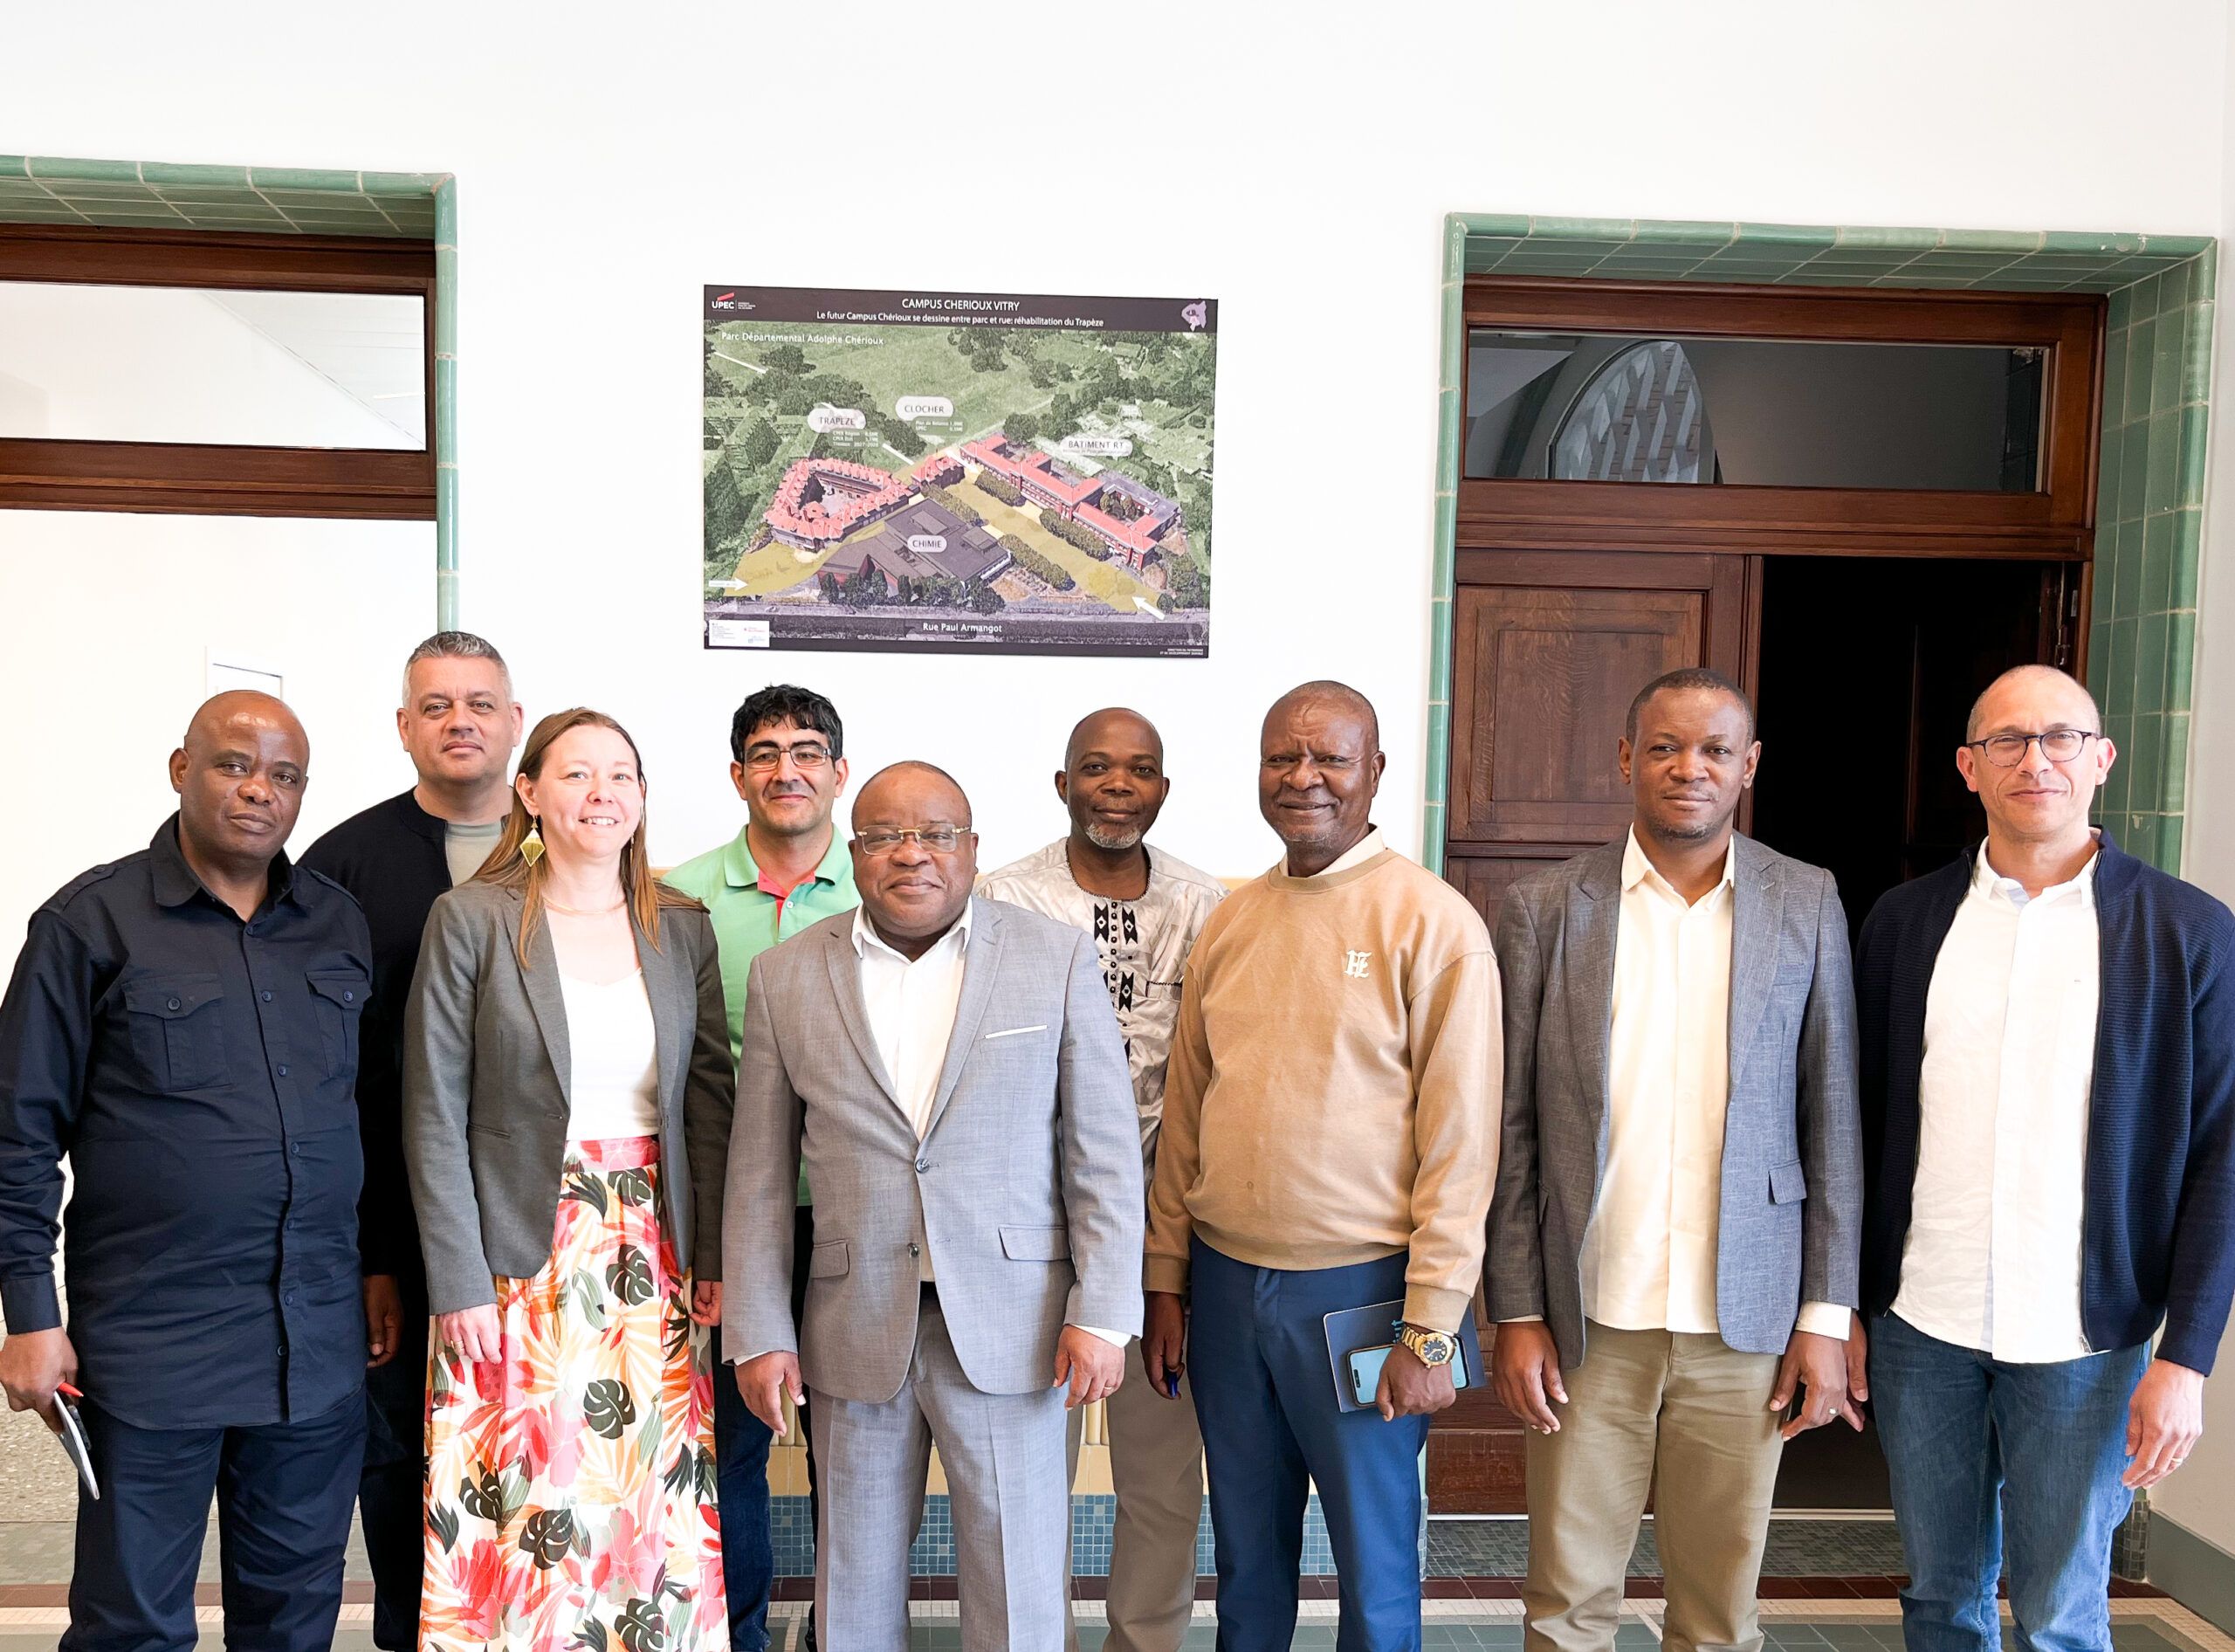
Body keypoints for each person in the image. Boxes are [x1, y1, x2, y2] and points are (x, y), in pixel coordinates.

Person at [1851, 664, 2235, 1652]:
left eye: (2060, 737)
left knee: (2061, 1612)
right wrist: (1845, 1305)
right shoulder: (1903, 924)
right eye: (2007, 741)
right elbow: (1859, 1128)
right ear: (1967, 767)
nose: (2036, 760)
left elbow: (2221, 1157)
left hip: (2085, 1337)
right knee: (1940, 1598)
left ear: (2101, 758)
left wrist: (2186, 1357)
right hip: (1921, 1323)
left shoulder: (2187, 931)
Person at [726, 761, 1144, 1651]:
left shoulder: (1054, 957)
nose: (911, 853)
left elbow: (1103, 1153)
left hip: (1018, 1324)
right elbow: (758, 1173)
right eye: (884, 836)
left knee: (1019, 1586)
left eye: (936, 834)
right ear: (854, 852)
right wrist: (759, 1329)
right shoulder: (785, 975)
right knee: (852, 1588)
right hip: (852, 1323)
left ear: (972, 848)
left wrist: (1103, 1312)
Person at [1488, 666, 1863, 1652]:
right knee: (1566, 1604)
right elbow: (1511, 1127)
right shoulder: (1543, 906)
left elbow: (1831, 1115)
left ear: (1749, 765)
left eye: (1713, 750)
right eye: (1664, 746)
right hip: (1588, 1317)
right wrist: (1516, 1310)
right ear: (1626, 758)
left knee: (1719, 1613)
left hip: (1746, 1323)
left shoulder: (1805, 900)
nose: (1688, 767)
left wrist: (1825, 1315)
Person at [0, 692, 377, 1652]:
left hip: (315, 1345)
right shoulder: (88, 923)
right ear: (181, 769)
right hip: (153, 1348)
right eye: (233, 765)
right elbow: (19, 1132)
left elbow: (368, 1117)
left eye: (284, 775)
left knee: (294, 1620)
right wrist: (31, 1316)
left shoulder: (338, 925)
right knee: (134, 1624)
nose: (259, 790)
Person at [1143, 680, 1501, 1652]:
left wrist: (1432, 1328)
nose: (1303, 778)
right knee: (1246, 1565)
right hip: (1226, 1289)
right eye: (1282, 757)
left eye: (1330, 758)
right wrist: (1166, 1278)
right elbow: (1186, 1114)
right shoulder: (1231, 920)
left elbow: (1462, 1145)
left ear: (1374, 770)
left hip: (1363, 1296)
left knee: (1374, 1571)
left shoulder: (1432, 923)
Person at [405, 707, 733, 1650]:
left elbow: (709, 1100)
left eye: (621, 774)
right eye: (578, 773)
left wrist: (711, 1253)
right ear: (530, 792)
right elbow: (432, 1107)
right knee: (525, 1485)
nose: (602, 793)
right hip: (514, 1249)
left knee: (640, 1488)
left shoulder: (680, 925)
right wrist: (457, 1279)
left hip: (651, 1252)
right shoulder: (472, 919)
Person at [980, 707, 1226, 1652]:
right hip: (1027, 1234)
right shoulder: (1002, 900)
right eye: (1095, 767)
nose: (1118, 785)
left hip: (1162, 1236)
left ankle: (1144, 1641)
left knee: (1160, 1478)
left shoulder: (1209, 907)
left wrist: (1172, 1255)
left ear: (1162, 787)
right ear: (1063, 784)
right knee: (1022, 1479)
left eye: (1139, 769)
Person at [299, 630, 525, 1652]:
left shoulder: (575, 847)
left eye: (479, 702)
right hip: (389, 1225)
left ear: (514, 722)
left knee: (534, 1445)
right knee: (396, 1449)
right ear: (403, 726)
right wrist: (371, 1253)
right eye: (436, 705)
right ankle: (410, 1633)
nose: (459, 721)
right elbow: (321, 1074)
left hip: (542, 1228)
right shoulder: (341, 867)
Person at [664, 684, 856, 1652]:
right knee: (728, 1447)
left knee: (855, 1455)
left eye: (808, 751)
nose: (788, 770)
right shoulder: (677, 897)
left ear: (839, 772)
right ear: (737, 775)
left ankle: (842, 1631)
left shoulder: (888, 887)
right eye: (767, 753)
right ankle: (735, 1633)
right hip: (733, 1223)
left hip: (858, 1220)